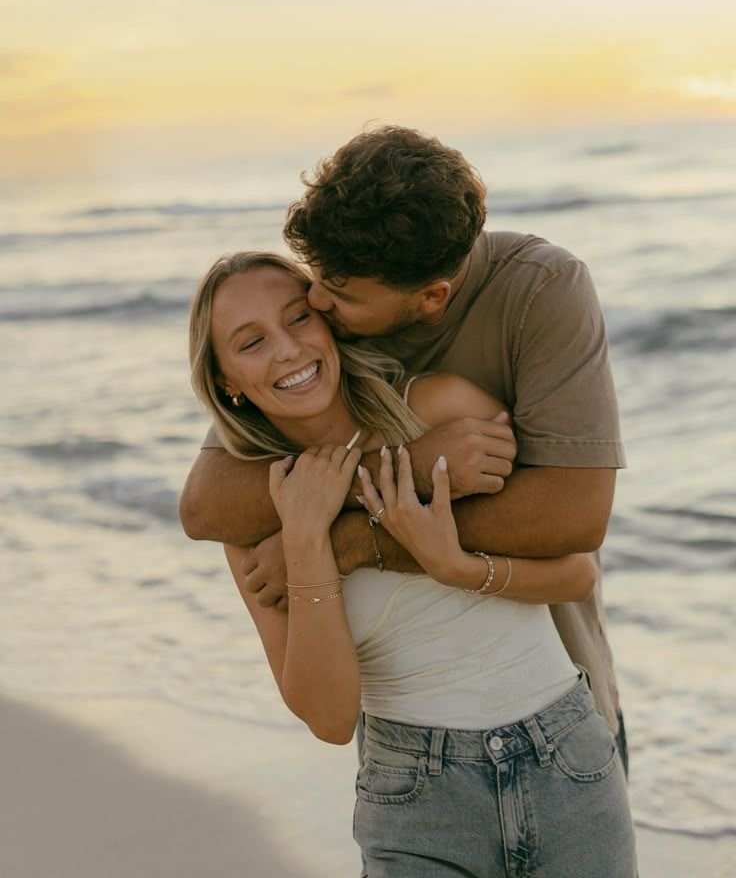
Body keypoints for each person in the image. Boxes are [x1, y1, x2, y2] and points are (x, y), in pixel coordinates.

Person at [179, 125, 630, 772]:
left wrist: (347, 541)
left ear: (430, 299)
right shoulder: (318, 334)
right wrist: (408, 468)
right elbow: (208, 507)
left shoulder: (539, 292)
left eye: (336, 294)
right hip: (410, 742)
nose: (313, 302)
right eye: (317, 277)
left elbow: (574, 521)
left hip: (561, 709)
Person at [187, 250, 637, 876]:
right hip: (414, 791)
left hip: (563, 756)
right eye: (252, 342)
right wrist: (307, 541)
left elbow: (577, 571)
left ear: (328, 320)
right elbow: (329, 717)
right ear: (228, 380)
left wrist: (453, 565)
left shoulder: (441, 409)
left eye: (298, 319)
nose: (288, 350)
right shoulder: (257, 520)